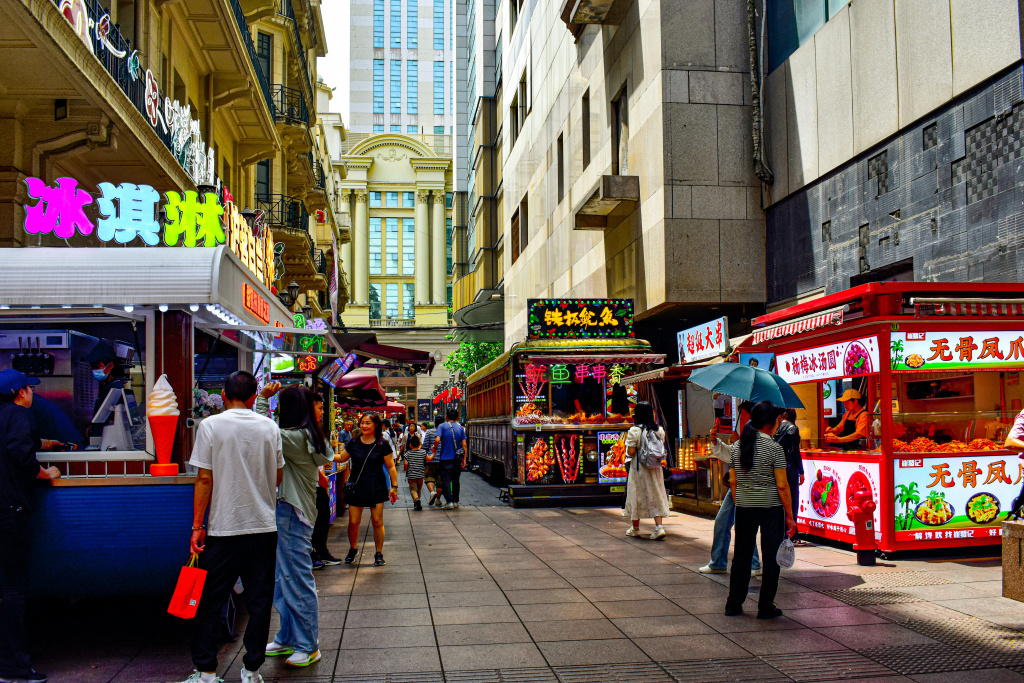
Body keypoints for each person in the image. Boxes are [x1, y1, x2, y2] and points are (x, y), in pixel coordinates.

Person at [182, 371, 283, 683]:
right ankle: (252, 670)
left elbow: (204, 478)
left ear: (223, 396)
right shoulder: (270, 427)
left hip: (223, 529)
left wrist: (197, 526)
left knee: (210, 602)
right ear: (254, 398)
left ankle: (207, 672)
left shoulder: (210, 426)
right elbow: (278, 475)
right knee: (260, 602)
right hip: (263, 528)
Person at [256, 384, 335, 669]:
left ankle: (307, 645)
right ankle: (287, 637)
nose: (321, 410)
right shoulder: (305, 437)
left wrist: (263, 400)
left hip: (292, 512)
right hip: (292, 511)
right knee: (285, 578)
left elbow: (263, 430)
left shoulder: (294, 438)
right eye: (316, 406)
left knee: (296, 579)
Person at [0, 370, 61, 683]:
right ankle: (14, 668)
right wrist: (45, 473)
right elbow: (19, 452)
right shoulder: (19, 414)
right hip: (10, 512)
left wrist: (44, 443)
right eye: (29, 388)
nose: (32, 393)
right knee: (12, 589)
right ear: (19, 392)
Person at [724, 401, 797, 620]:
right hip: (770, 508)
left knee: (741, 556)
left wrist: (740, 502)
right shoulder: (775, 448)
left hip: (745, 507)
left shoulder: (738, 447)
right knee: (770, 556)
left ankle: (733, 604)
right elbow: (782, 485)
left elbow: (734, 481)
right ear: (770, 423)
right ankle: (765, 606)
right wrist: (790, 516)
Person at [700, 401, 761, 575]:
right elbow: (728, 454)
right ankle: (719, 562)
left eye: (743, 414)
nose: (740, 418)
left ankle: (753, 564)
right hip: (738, 486)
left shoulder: (758, 434)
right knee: (724, 521)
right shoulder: (744, 435)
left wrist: (738, 444)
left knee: (743, 524)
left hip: (746, 486)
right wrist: (715, 440)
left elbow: (749, 459)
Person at [336, 413, 399, 566]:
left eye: (368, 423)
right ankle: (353, 549)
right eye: (362, 423)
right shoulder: (354, 442)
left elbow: (391, 466)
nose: (364, 426)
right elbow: (342, 458)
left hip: (376, 485)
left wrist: (394, 486)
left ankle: (379, 553)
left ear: (375, 425)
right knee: (353, 522)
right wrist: (323, 454)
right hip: (356, 486)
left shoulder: (382, 444)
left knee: (377, 522)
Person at [624, 401, 672, 540]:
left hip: (639, 469)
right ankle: (659, 527)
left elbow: (631, 452)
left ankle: (635, 528)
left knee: (636, 494)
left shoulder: (635, 431)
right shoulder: (659, 430)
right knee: (655, 493)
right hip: (655, 469)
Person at [309, 395, 344, 570]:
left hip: (319, 483)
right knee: (316, 521)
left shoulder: (315, 429)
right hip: (313, 485)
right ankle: (314, 554)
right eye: (320, 408)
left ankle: (321, 551)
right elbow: (309, 460)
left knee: (322, 520)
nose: (323, 412)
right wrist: (321, 478)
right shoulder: (305, 431)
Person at [774, 408, 805, 545]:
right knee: (793, 501)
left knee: (781, 500)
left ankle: (782, 533)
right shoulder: (793, 428)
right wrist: (801, 471)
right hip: (791, 468)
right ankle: (793, 535)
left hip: (778, 467)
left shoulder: (776, 427)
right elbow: (795, 451)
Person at [433, 408, 468, 510]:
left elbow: (437, 440)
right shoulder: (460, 428)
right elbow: (464, 445)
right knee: (456, 480)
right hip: (457, 459)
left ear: (446, 417)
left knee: (446, 480)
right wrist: (464, 459)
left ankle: (449, 501)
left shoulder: (442, 426)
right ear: (457, 418)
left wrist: (434, 448)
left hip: (445, 458)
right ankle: (456, 501)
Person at [422, 417, 443, 506]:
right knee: (440, 481)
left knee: (429, 477)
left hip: (431, 459)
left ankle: (432, 492)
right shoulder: (445, 433)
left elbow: (425, 446)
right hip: (442, 460)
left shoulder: (429, 432)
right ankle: (438, 499)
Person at [404, 435, 427, 510]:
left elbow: (406, 464)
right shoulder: (423, 452)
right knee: (419, 489)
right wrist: (434, 453)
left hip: (411, 475)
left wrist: (407, 470)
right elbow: (429, 459)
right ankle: (417, 503)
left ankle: (416, 500)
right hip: (420, 474)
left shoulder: (408, 454)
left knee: (413, 490)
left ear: (410, 445)